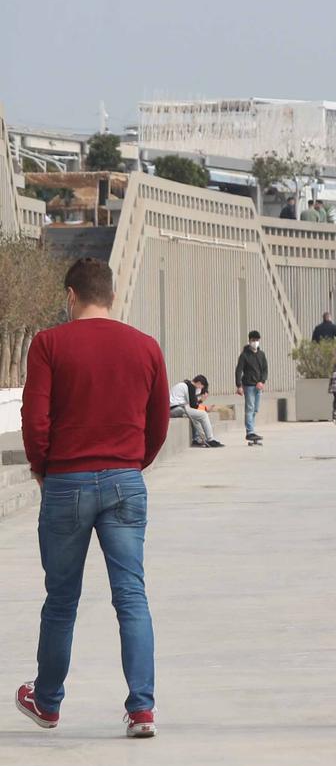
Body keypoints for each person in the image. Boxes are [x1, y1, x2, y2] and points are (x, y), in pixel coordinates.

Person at [15, 258, 170, 739]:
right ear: (110, 296)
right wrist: (133, 462)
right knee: (131, 596)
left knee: (61, 600)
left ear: (70, 296)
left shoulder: (49, 344)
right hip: (125, 480)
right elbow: (160, 417)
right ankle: (142, 709)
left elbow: (34, 418)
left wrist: (42, 468)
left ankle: (47, 702)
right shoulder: (145, 346)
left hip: (66, 481)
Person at [170, 373, 223, 447]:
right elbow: (194, 406)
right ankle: (210, 440)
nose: (200, 390)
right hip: (176, 409)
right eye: (201, 387)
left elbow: (192, 405)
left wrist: (200, 402)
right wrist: (204, 406)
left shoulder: (186, 384)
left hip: (174, 409)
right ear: (198, 383)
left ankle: (196, 439)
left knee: (196, 416)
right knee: (203, 415)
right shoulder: (191, 386)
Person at [235, 329, 268, 444]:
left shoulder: (261, 355)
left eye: (257, 340)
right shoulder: (244, 355)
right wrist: (239, 385)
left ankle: (252, 430)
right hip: (248, 386)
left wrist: (262, 381)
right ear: (249, 341)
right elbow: (238, 370)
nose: (255, 342)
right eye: (253, 340)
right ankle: (250, 432)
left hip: (258, 386)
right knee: (249, 408)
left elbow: (265, 370)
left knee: (255, 409)